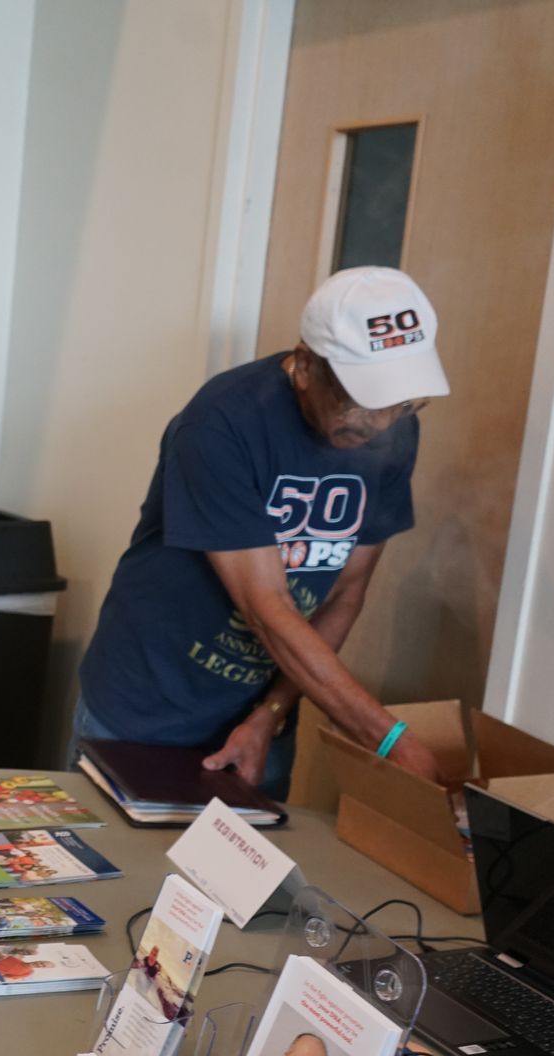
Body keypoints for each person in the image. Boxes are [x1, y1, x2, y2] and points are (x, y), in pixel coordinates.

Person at [72, 266, 451, 800]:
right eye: (357, 398)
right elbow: (267, 607)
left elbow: (345, 593)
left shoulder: (394, 432)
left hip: (258, 718)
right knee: (123, 872)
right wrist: (388, 739)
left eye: (397, 401)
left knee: (246, 878)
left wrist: (271, 712)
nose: (377, 423)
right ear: (304, 366)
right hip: (146, 705)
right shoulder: (222, 425)